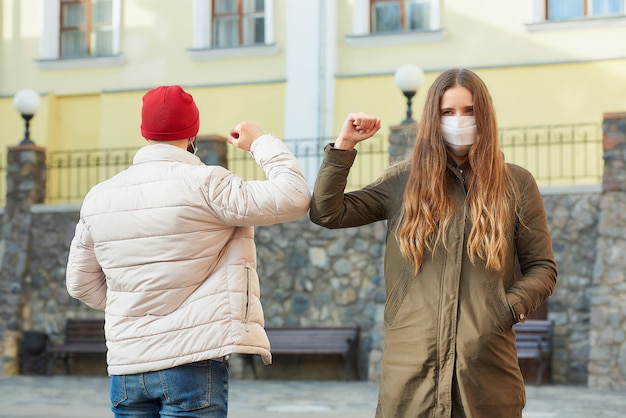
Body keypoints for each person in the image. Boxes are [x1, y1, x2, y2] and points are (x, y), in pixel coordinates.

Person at [309, 68, 557, 417]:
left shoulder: (515, 183)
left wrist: (505, 309)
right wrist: (345, 145)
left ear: (484, 115)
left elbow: (542, 268)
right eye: (448, 112)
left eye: (469, 110)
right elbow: (327, 212)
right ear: (433, 118)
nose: (459, 120)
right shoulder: (402, 182)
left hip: (485, 370)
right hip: (411, 373)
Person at [65, 85, 311, 417]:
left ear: (144, 132)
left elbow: (79, 284)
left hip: (127, 368)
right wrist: (259, 142)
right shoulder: (207, 185)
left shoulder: (99, 196)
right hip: (191, 364)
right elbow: (294, 195)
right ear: (192, 131)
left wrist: (136, 302)